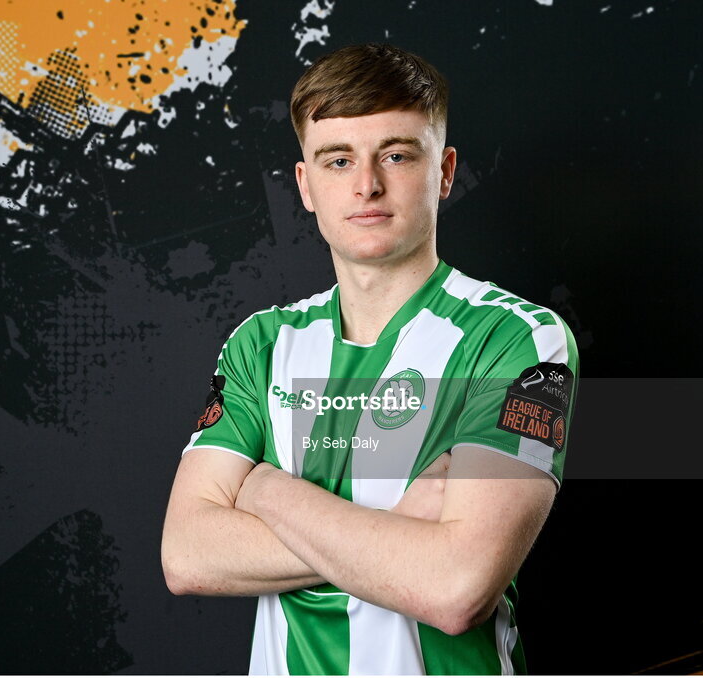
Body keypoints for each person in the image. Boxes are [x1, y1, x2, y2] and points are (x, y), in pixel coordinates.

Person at [161, 43, 579, 675]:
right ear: (305, 185)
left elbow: (456, 586)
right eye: (338, 160)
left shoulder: (518, 339)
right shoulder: (261, 344)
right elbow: (188, 554)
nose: (366, 185)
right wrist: (401, 535)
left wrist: (268, 490)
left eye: (396, 155)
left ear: (444, 171)